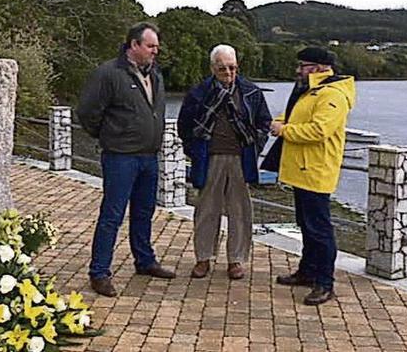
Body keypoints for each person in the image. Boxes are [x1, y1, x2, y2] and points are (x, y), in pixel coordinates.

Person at [77, 22, 176, 297]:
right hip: (121, 157)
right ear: (134, 45)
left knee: (144, 213)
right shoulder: (108, 73)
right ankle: (99, 272)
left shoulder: (155, 74)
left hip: (149, 157)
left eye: (156, 46)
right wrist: (110, 135)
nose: (156, 51)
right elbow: (87, 112)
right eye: (150, 46)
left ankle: (144, 260)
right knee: (112, 215)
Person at [264, 47, 356, 305]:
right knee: (307, 225)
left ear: (318, 68)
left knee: (320, 230)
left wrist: (284, 130)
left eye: (302, 65)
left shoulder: (332, 95)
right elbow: (293, 115)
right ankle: (307, 272)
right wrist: (278, 123)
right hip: (302, 171)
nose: (298, 70)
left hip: (316, 171)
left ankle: (325, 282)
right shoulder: (311, 91)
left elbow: (319, 130)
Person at [177, 45, 271, 280]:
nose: (228, 73)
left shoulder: (251, 92)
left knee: (240, 212)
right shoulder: (199, 93)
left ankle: (235, 260)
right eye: (222, 69)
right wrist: (195, 152)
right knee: (206, 211)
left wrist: (255, 145)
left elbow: (264, 123)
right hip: (210, 158)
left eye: (232, 68)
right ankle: (203, 258)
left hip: (241, 159)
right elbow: (185, 126)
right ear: (212, 68)